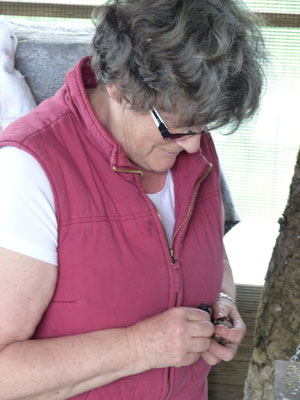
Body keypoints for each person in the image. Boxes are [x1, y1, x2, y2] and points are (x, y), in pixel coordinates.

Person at [0, 0, 265, 399]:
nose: (196, 146)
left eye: (205, 126)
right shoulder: (28, 170)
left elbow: (204, 247)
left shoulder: (186, 135)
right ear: (120, 88)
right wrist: (139, 347)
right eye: (178, 128)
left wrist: (223, 297)